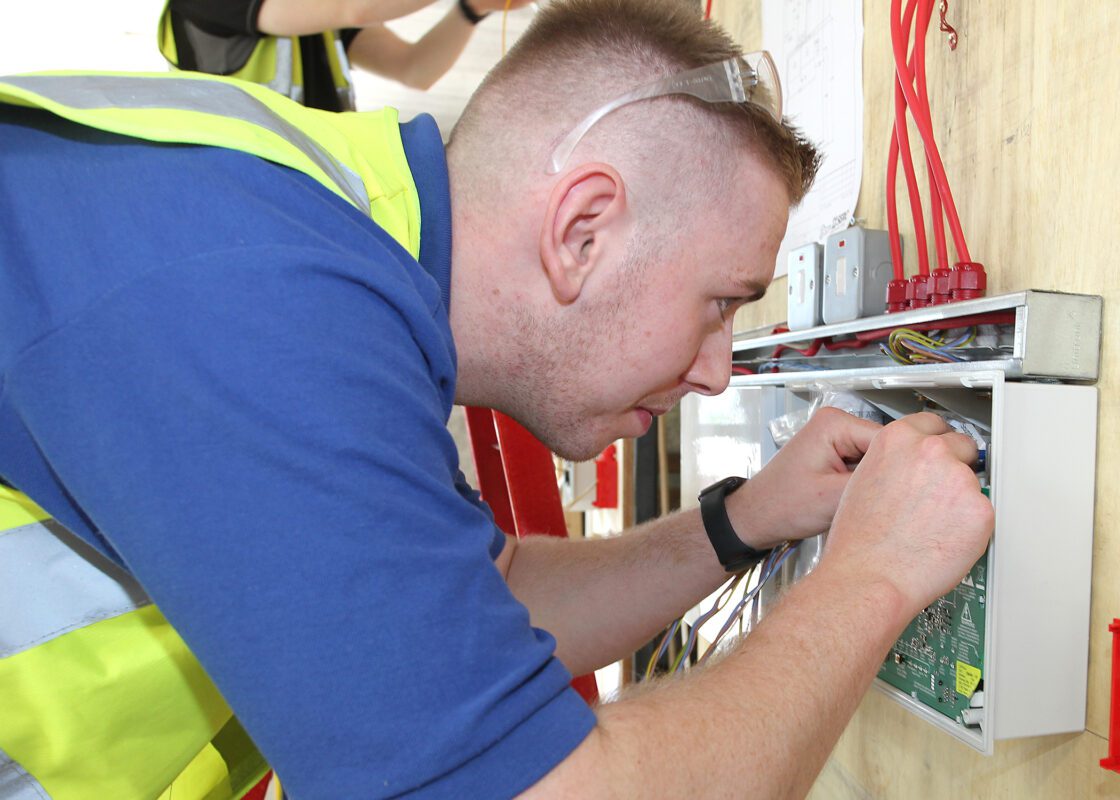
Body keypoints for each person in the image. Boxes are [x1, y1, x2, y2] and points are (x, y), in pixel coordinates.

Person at [0, 0, 993, 796]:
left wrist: (742, 521)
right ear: (582, 230)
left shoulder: (337, 260)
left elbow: (485, 601)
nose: (717, 370)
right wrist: (877, 572)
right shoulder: (248, 288)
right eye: (716, 304)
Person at [158, 0, 533, 112]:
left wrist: (470, 10)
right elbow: (356, 8)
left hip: (315, 191)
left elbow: (414, 69)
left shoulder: (315, 15)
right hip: (245, 193)